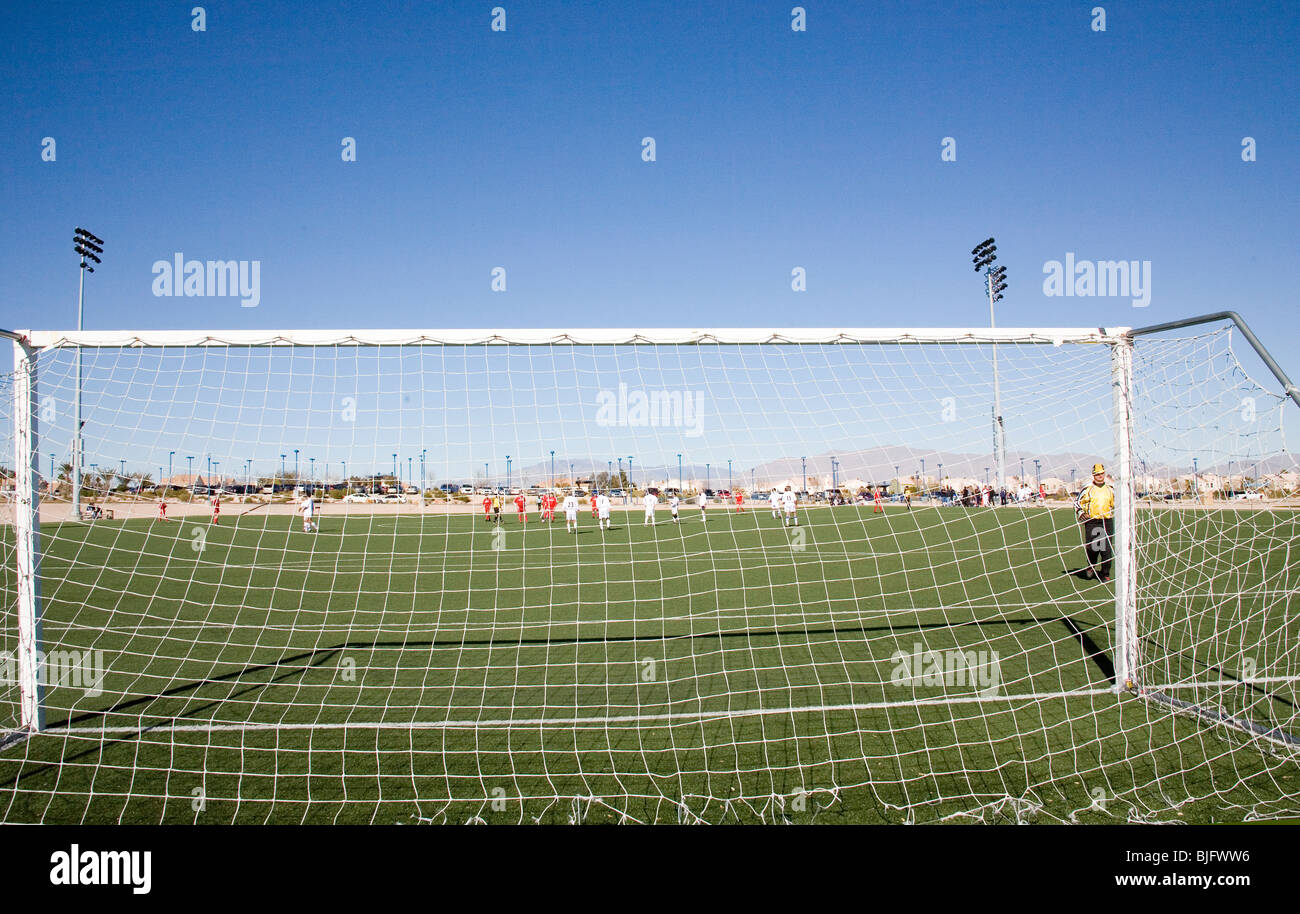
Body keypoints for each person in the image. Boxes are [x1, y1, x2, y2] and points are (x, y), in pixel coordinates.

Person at [1074, 462, 1115, 582]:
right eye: (1097, 474)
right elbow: (1076, 503)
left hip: (1106, 521)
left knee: (1106, 550)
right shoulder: (1087, 489)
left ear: (1104, 474)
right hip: (1092, 522)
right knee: (1093, 548)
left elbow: (1117, 503)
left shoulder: (1111, 489)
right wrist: (1081, 513)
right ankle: (1091, 566)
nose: (1100, 476)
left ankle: (1105, 573)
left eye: (1101, 474)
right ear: (1093, 475)